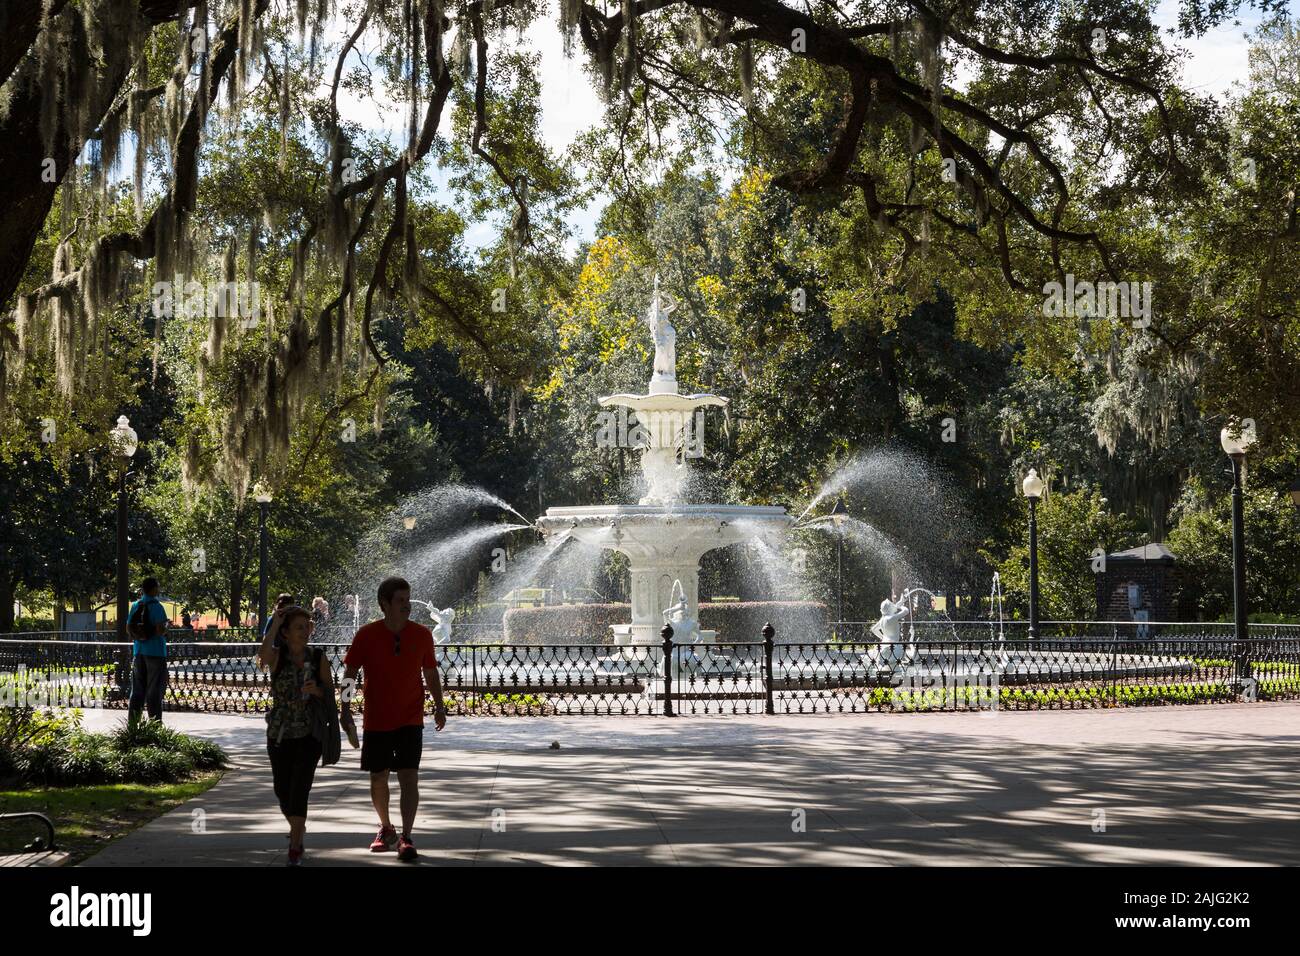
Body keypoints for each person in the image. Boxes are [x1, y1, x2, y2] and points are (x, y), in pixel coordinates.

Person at [340, 577, 446, 862]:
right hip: (377, 717)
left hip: (411, 716)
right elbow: (350, 672)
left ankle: (407, 837)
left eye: (408, 599)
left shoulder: (422, 634)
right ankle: (386, 828)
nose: (407, 605)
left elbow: (431, 673)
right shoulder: (366, 634)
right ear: (384, 604)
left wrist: (439, 705)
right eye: (400, 600)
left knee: (408, 775)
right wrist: (345, 707)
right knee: (378, 777)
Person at [258, 604, 335, 866]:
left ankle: (294, 845)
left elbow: (331, 693)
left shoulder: (318, 657)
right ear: (287, 632)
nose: (305, 631)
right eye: (299, 627)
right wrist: (275, 624)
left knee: (300, 790)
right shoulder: (278, 657)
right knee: (282, 790)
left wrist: (318, 692)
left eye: (307, 627)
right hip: (280, 733)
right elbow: (263, 655)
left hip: (308, 733)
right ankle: (297, 832)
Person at [127, 577, 170, 722]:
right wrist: (166, 628)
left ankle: (133, 725)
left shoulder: (135, 605)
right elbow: (160, 630)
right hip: (155, 653)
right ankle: (155, 726)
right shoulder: (157, 606)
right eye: (157, 587)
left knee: (137, 691)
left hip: (138, 652)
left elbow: (129, 628)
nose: (158, 590)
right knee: (154, 691)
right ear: (153, 589)